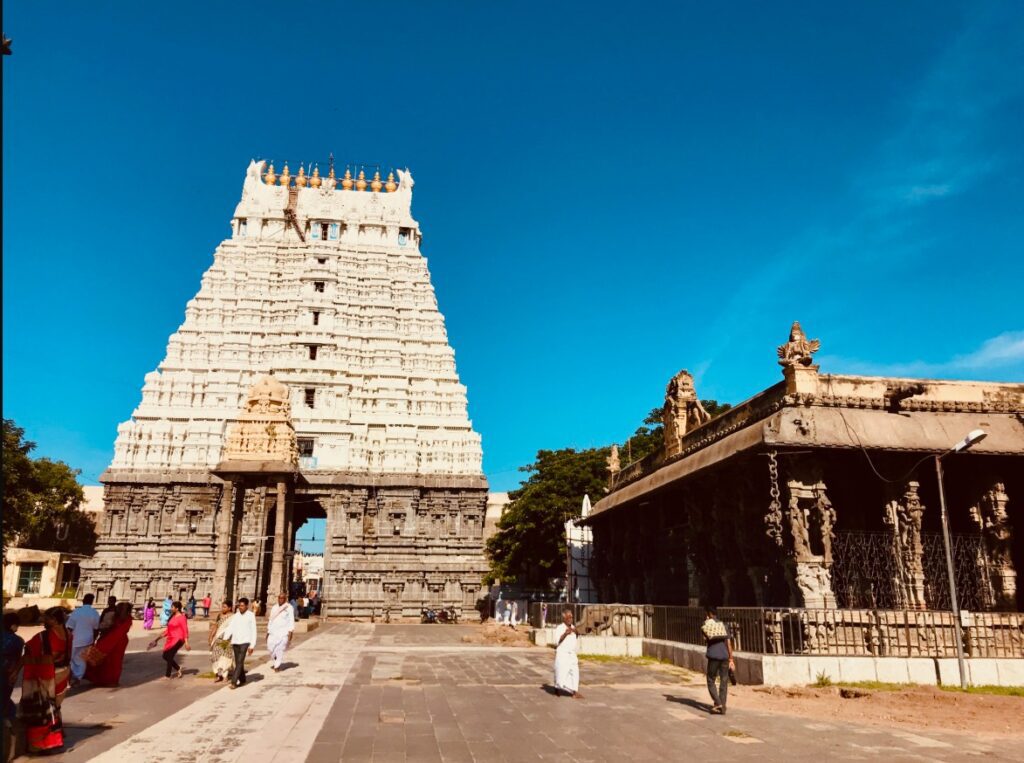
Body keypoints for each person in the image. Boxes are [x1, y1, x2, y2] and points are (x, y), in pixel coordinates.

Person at [20, 607, 72, 754]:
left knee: (43, 709)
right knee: (54, 707)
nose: (44, 621)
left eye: (47, 618)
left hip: (50, 674)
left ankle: (41, 743)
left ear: (54, 620)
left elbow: (29, 649)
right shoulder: (69, 634)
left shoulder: (46, 636)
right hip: (64, 673)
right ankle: (54, 738)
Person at [84, 602, 133, 687]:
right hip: (118, 640)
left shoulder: (116, 617)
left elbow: (107, 628)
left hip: (113, 640)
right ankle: (110, 680)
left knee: (110, 661)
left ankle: (106, 679)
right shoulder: (125, 618)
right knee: (114, 661)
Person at [701, 607, 734, 715]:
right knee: (724, 681)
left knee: (711, 679)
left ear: (709, 614)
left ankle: (718, 703)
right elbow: (728, 643)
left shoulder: (707, 625)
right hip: (724, 656)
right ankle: (722, 706)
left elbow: (706, 639)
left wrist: (706, 623)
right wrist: (731, 659)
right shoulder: (724, 625)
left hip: (714, 656)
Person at [65, 593, 100, 686]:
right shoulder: (95, 613)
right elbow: (96, 628)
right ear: (92, 602)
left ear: (83, 600)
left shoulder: (77, 612)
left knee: (71, 658)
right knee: (82, 659)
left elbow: (69, 626)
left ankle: (71, 677)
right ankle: (78, 677)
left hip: (75, 639)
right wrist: (94, 639)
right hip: (88, 639)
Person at [149, 601, 190, 679]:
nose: (171, 608)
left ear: (177, 608)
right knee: (165, 656)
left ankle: (168, 675)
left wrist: (186, 643)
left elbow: (185, 630)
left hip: (179, 639)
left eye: (172, 607)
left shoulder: (182, 617)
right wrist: (157, 639)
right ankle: (178, 668)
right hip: (170, 639)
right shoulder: (172, 617)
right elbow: (168, 630)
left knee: (170, 656)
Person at [224, 597, 256, 689]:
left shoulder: (251, 615)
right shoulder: (236, 616)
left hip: (245, 641)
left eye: (242, 606)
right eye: (239, 606)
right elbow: (230, 627)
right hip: (236, 641)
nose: (240, 607)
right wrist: (225, 638)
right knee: (238, 662)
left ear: (247, 606)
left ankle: (234, 682)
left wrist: (252, 645)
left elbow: (253, 631)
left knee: (239, 661)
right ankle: (242, 678)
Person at [553, 609, 583, 699]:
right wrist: (565, 634)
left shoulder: (573, 627)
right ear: (564, 618)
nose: (571, 619)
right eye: (569, 617)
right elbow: (556, 641)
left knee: (575, 672)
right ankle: (557, 688)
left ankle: (575, 692)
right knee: (561, 673)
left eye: (572, 617)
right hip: (563, 654)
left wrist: (576, 632)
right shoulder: (560, 628)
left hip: (572, 655)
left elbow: (576, 637)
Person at [2, 612, 25, 724]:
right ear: (12, 625)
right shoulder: (17, 640)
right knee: (5, 698)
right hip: (7, 672)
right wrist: (15, 672)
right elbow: (18, 658)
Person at [266, 592, 295, 672]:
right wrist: (268, 631)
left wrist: (290, 632)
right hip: (273, 632)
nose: (280, 599)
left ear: (285, 599)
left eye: (282, 598)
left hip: (283, 633)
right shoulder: (274, 607)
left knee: (280, 649)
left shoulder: (289, 607)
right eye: (279, 598)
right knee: (270, 648)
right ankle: (276, 660)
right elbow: (271, 620)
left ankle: (277, 666)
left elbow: (291, 620)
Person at [209, 600, 235, 683]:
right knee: (216, 657)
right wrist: (211, 636)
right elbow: (216, 626)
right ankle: (217, 675)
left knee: (225, 657)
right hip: (218, 639)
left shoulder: (233, 617)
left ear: (230, 608)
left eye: (224, 607)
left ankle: (225, 676)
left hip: (227, 640)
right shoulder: (220, 615)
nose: (222, 608)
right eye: (222, 606)